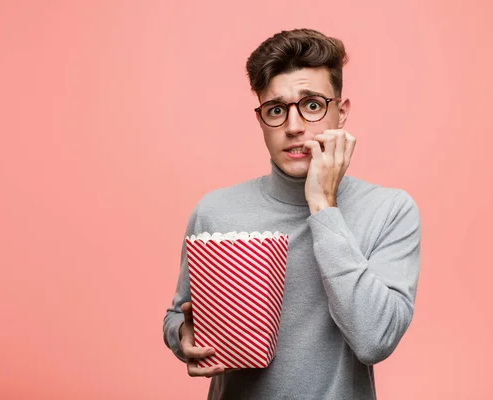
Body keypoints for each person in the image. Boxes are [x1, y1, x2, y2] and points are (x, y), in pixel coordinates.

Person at [163, 28, 421, 399]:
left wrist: (323, 206)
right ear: (261, 120)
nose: (294, 127)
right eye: (276, 110)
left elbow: (374, 341)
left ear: (341, 112)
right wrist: (181, 336)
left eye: (312, 105)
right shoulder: (215, 211)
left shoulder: (390, 210)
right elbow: (178, 315)